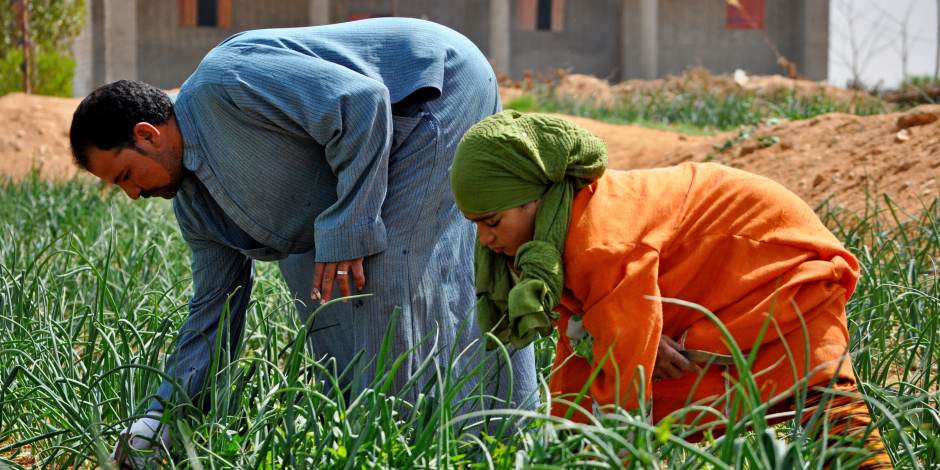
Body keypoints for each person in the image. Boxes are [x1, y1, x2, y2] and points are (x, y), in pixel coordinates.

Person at [68, 19, 537, 467]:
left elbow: (362, 101)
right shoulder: (195, 208)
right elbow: (214, 305)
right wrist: (161, 416)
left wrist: (350, 228)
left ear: (147, 135)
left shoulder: (223, 83)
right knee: (323, 292)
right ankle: (370, 439)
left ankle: (461, 442)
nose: (132, 195)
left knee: (382, 273)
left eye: (126, 176)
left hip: (431, 89)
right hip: (369, 146)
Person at [449, 110, 893, 469]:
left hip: (772, 259)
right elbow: (587, 348)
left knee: (819, 397)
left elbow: (626, 378)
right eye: (476, 227)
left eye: (492, 222)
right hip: (722, 271)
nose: (486, 240)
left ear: (536, 199)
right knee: (603, 381)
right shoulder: (563, 224)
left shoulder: (597, 241)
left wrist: (608, 441)